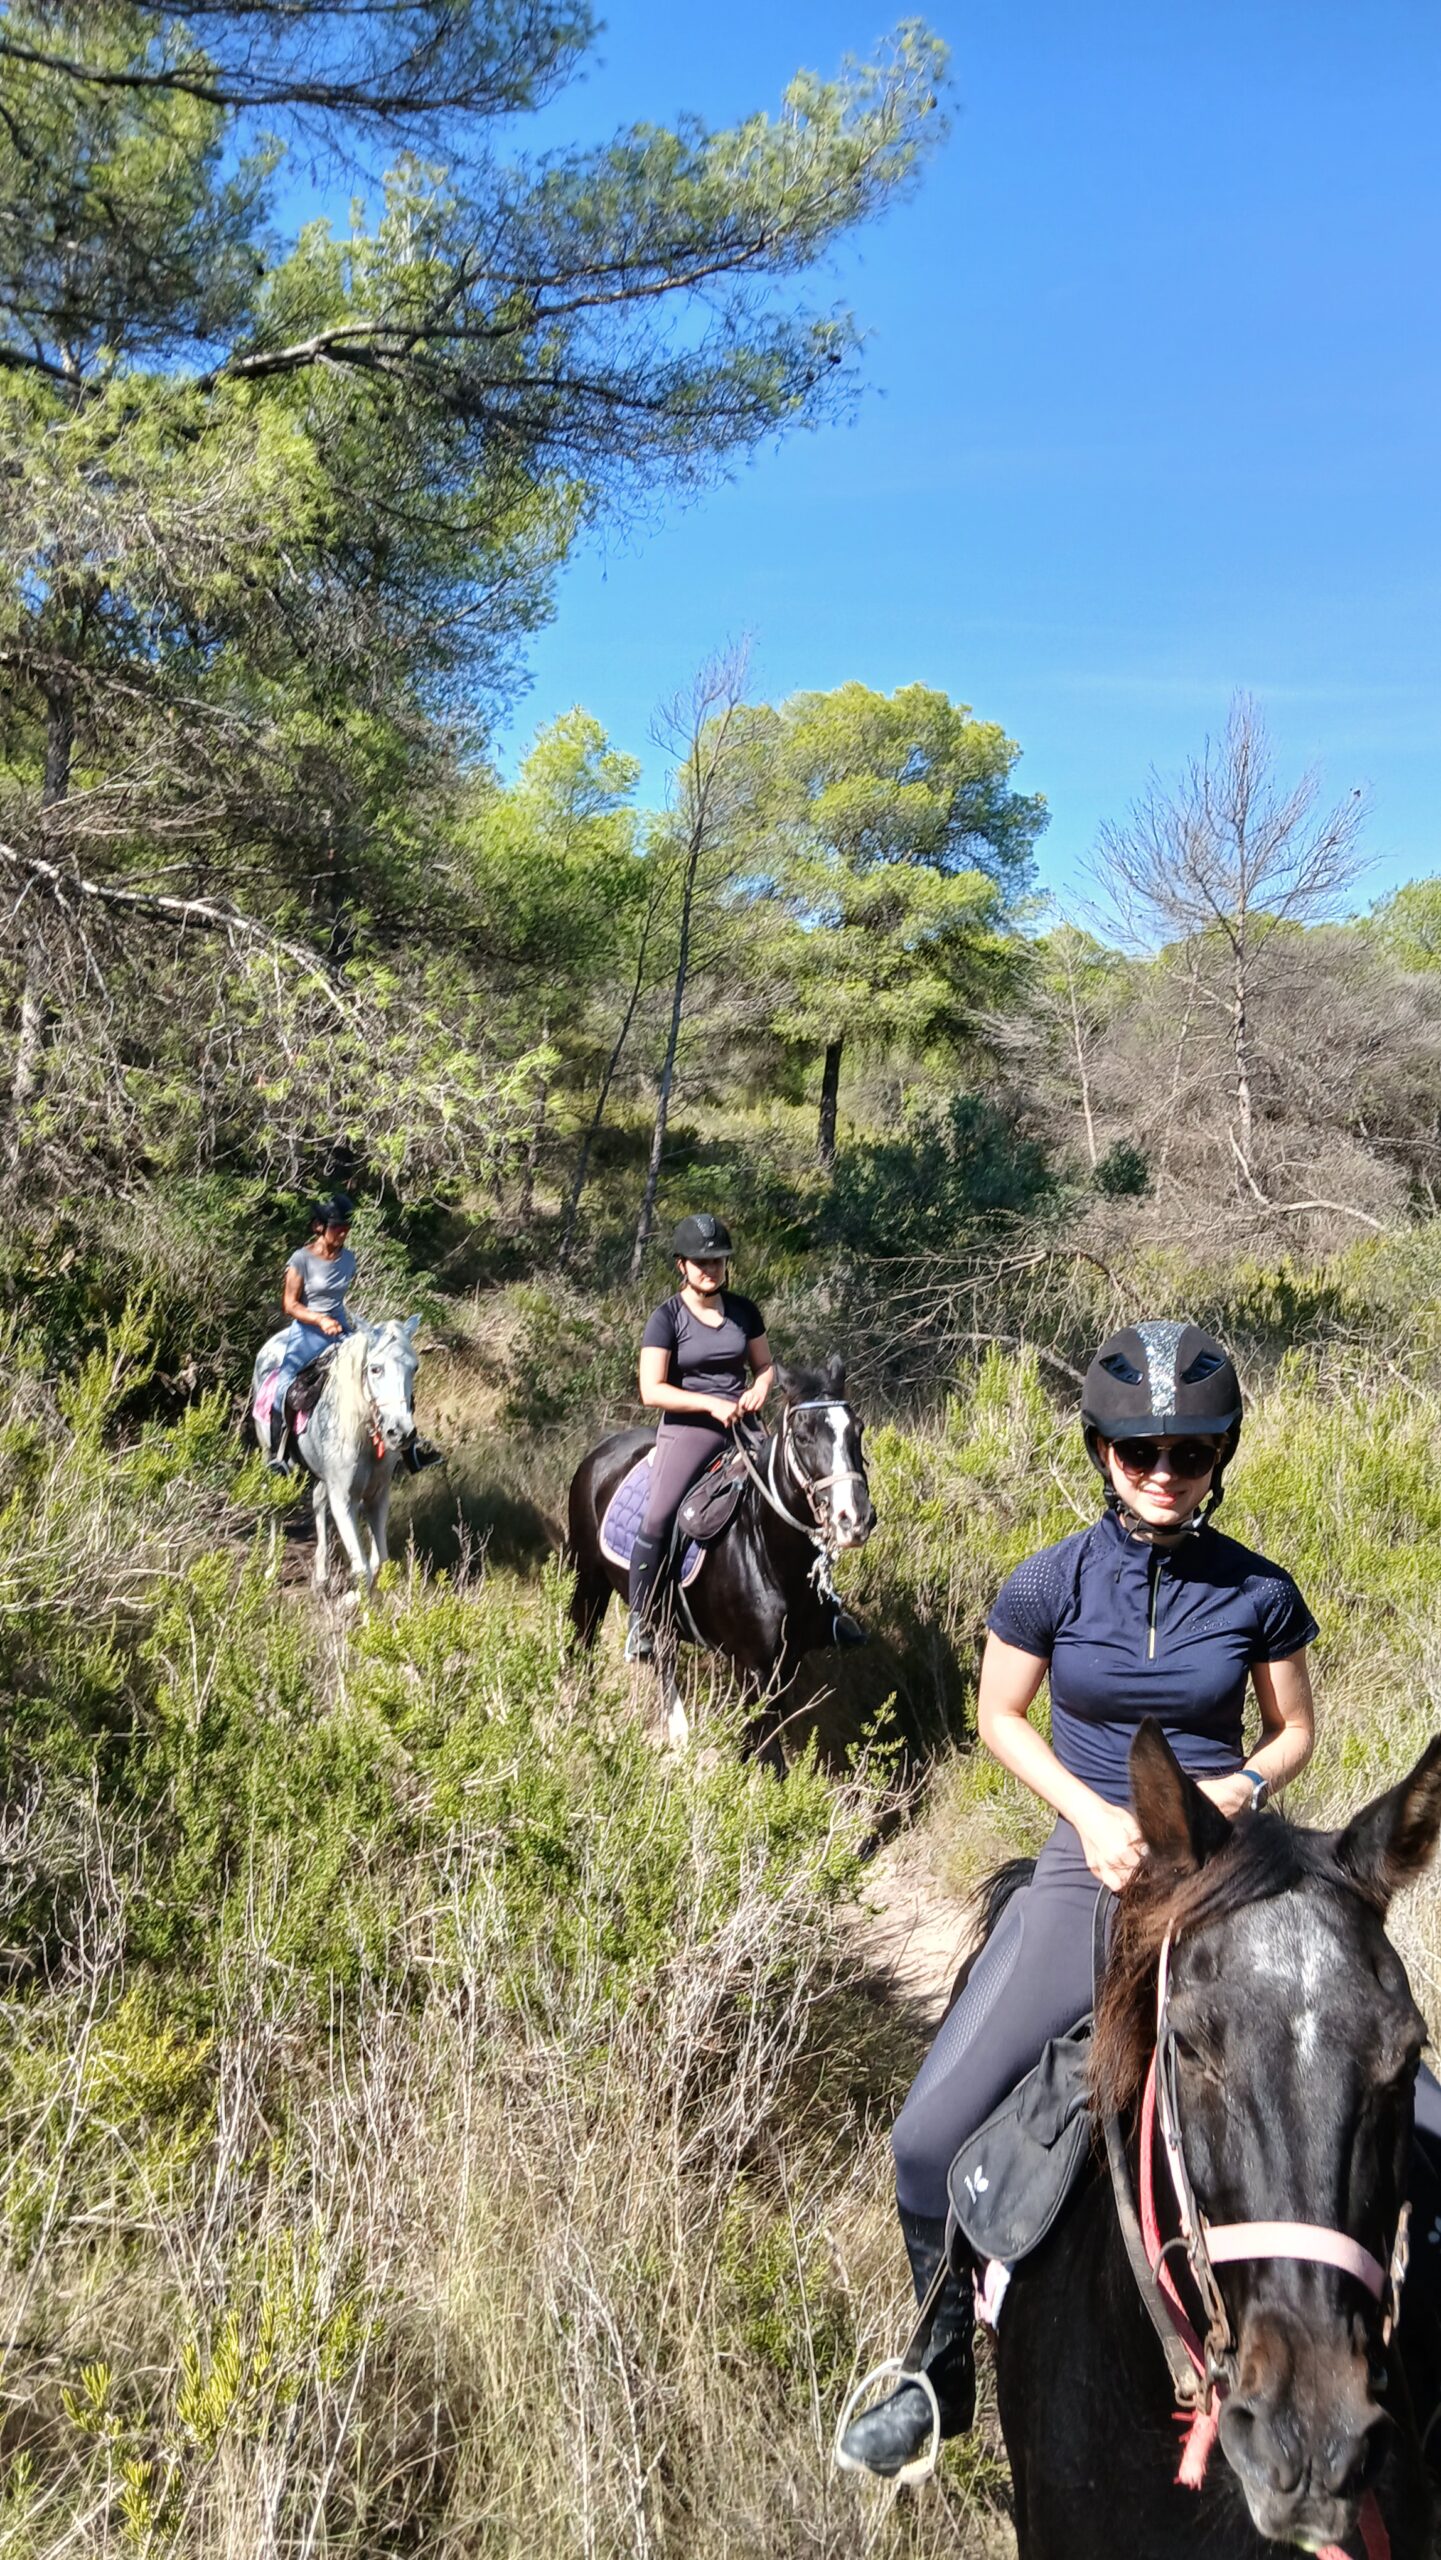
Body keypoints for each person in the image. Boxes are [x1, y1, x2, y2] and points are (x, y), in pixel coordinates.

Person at [837, 1317, 1320, 2480]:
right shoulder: (1050, 1579)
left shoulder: (1258, 1590)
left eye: (1190, 1453)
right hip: (1084, 1865)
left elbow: (1294, 1728)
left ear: (1220, 1458)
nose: (1166, 1472)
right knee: (923, 2141)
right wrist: (1093, 1814)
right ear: (1102, 1451)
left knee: (1396, 2108)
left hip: (1216, 1868)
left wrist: (1239, 1785)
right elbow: (997, 1716)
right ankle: (936, 2366)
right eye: (1141, 1449)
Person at [626, 1213, 776, 1661]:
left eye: (718, 1261)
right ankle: (641, 1621)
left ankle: (823, 1607)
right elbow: (651, 1390)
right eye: (701, 1262)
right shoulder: (666, 1318)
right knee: (657, 1516)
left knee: (798, 1491)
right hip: (689, 1430)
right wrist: (711, 1404)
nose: (711, 1269)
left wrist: (758, 1389)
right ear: (682, 1265)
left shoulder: (745, 1312)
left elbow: (765, 1366)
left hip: (743, 1427)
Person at [266, 1194, 441, 1477]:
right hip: (308, 1332)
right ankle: (280, 1455)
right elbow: (290, 1304)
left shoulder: (349, 1258)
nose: (344, 1231)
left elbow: (338, 1299)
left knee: (388, 1373)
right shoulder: (301, 1260)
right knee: (283, 1385)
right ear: (319, 1227)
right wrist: (320, 1319)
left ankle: (410, 1450)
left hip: (341, 1329)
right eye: (337, 1227)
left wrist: (337, 1321)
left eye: (346, 1226)